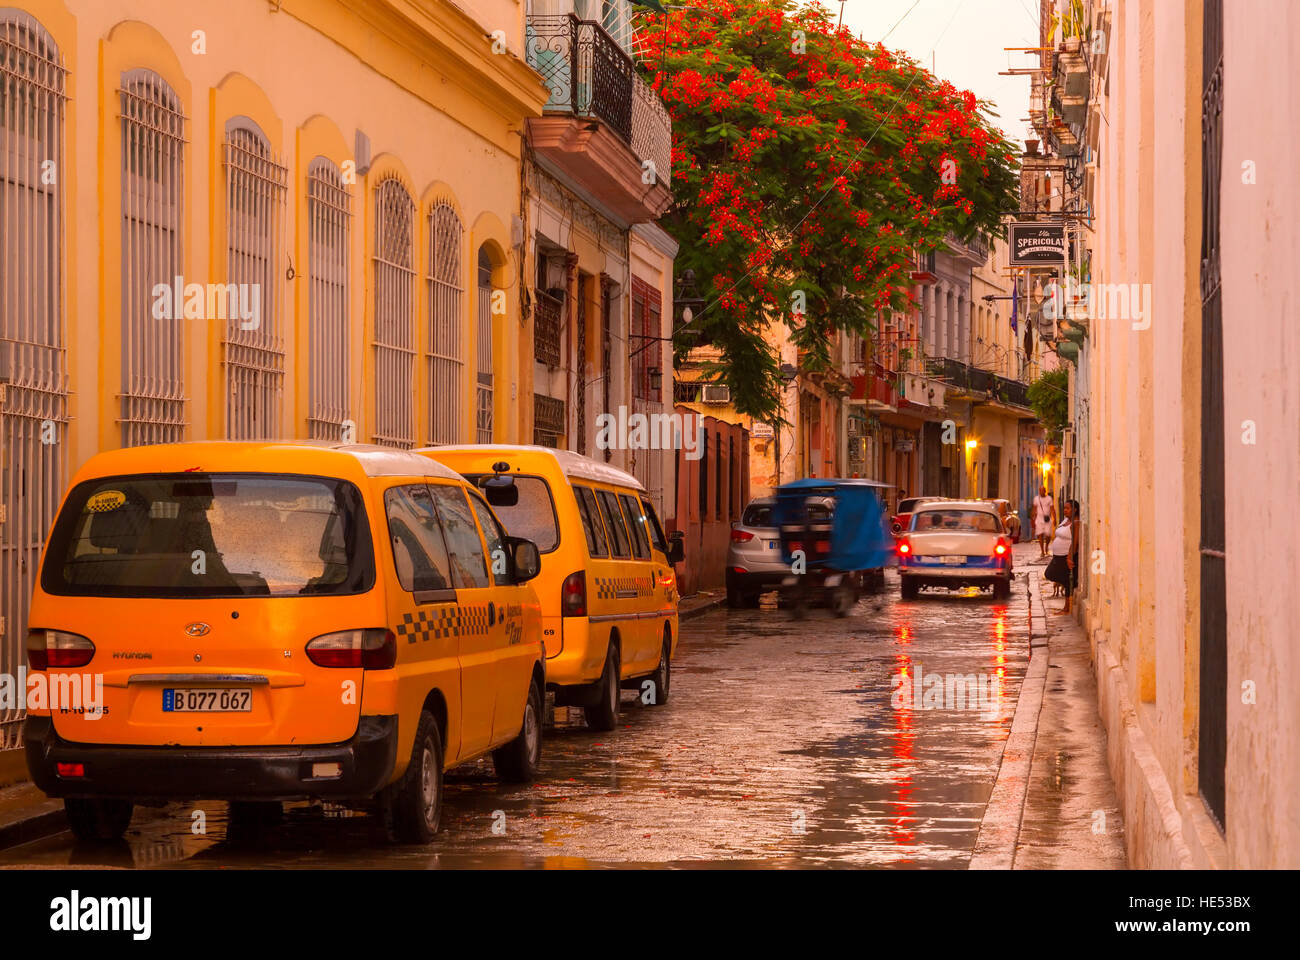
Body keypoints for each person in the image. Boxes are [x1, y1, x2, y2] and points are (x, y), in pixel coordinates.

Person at [1045, 499, 1080, 614]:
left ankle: (1067, 608)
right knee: (1050, 573)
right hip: (1057, 556)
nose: (1065, 510)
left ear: (1074, 510)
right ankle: (1066, 604)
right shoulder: (1066, 520)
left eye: (1068, 508)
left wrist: (1070, 556)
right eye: (1064, 508)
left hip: (1065, 556)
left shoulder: (1075, 523)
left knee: (1064, 579)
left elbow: (1074, 542)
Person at [1032, 486, 1055, 558]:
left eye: (1043, 490)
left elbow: (1052, 509)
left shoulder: (1049, 498)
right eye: (1040, 490)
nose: (1041, 492)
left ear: (1045, 491)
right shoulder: (1036, 499)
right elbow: (1034, 509)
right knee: (1040, 534)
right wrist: (1033, 519)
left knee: (1048, 535)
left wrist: (1054, 518)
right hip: (1039, 519)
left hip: (1047, 519)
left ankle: (1046, 546)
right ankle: (1042, 550)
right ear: (1039, 491)